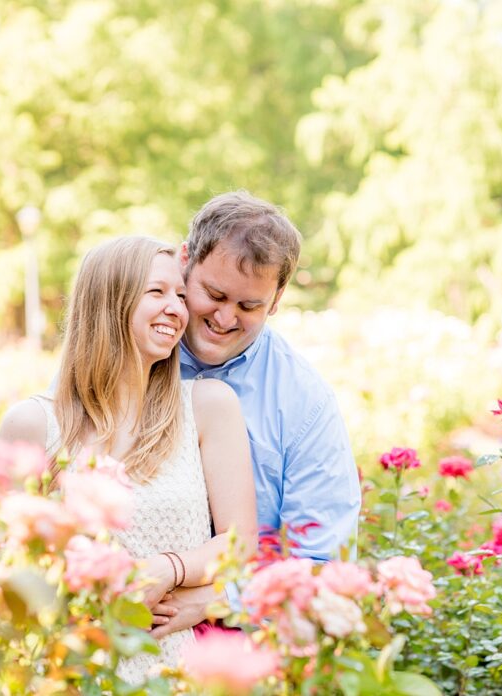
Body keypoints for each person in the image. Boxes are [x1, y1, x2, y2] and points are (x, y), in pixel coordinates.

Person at [0, 236, 257, 683]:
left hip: (177, 674)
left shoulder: (209, 406)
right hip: (71, 674)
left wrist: (169, 568)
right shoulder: (32, 423)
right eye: (157, 292)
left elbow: (240, 545)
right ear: (108, 301)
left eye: (181, 295)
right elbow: (4, 576)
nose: (177, 309)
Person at [151, 191, 361, 639]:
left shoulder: (303, 402)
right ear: (186, 259)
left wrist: (214, 601)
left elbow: (323, 562)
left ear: (278, 298)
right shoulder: (132, 351)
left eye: (249, 307)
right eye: (214, 294)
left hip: (242, 641)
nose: (225, 318)